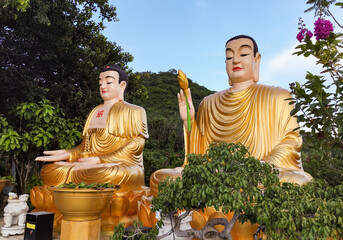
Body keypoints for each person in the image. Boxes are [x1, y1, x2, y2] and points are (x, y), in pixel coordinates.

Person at [150, 34, 312, 194]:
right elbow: (198, 153)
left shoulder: (278, 95)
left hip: (259, 173)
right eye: (229, 57)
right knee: (159, 177)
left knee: (293, 180)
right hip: (213, 173)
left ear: (257, 60)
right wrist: (189, 120)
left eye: (243, 54)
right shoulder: (208, 102)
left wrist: (263, 165)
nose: (235, 60)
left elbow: (291, 142)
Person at [31, 64, 149, 229]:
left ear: (122, 85)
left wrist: (101, 160)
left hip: (119, 166)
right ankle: (70, 205)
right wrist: (67, 154)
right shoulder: (94, 112)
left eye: (108, 82)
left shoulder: (134, 111)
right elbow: (84, 147)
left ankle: (81, 207)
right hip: (87, 166)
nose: (102, 85)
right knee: (52, 170)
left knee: (107, 173)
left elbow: (136, 144)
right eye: (100, 82)